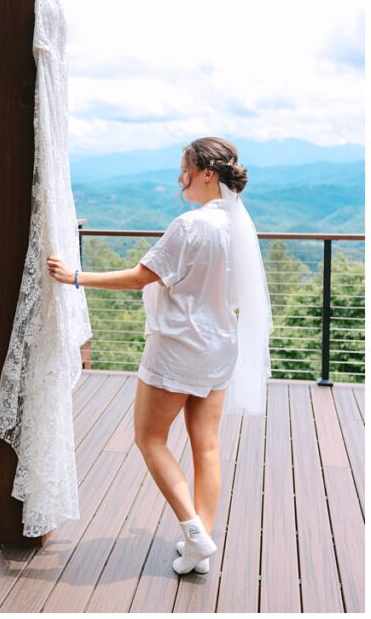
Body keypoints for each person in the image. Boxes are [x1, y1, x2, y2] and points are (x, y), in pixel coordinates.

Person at [45, 136, 268, 576]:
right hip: (220, 346)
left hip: (176, 348)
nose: (178, 177)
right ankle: (197, 546)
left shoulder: (190, 226)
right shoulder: (241, 226)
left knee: (150, 440)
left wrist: (75, 277)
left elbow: (139, 277)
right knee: (206, 445)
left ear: (207, 173)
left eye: (184, 167)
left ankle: (195, 532)